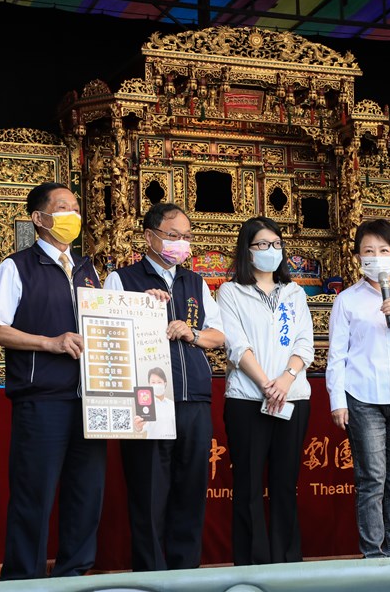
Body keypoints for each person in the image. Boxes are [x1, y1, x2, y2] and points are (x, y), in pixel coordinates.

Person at [0, 182, 106, 580]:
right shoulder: (16, 266)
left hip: (92, 400)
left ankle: (75, 576)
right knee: (34, 496)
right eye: (63, 207)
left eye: (75, 206)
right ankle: (23, 581)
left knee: (85, 496)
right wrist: (49, 343)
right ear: (39, 219)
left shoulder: (89, 270)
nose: (74, 214)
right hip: (42, 399)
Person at [103, 201, 225, 570]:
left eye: (186, 237)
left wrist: (193, 333)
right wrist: (141, 308)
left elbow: (219, 336)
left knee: (190, 493)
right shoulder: (122, 280)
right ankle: (152, 574)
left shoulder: (196, 282)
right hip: (147, 402)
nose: (180, 243)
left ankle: (185, 573)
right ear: (149, 237)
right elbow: (107, 337)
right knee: (149, 492)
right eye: (173, 236)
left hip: (193, 400)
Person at [326, 219, 390, 558]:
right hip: (363, 398)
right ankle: (373, 555)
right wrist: (337, 401)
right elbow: (337, 355)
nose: (375, 257)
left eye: (383, 250)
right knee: (372, 480)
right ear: (358, 257)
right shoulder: (347, 300)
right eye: (368, 251)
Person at [216, 216, 315, 565]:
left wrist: (285, 380)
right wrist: (264, 384)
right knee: (248, 488)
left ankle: (287, 563)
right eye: (261, 245)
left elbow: (305, 342)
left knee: (286, 485)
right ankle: (253, 565)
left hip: (293, 397)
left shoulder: (294, 292)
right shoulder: (230, 291)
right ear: (247, 250)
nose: (270, 251)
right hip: (247, 398)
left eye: (275, 244)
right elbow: (236, 344)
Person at [134, 367, 176, 440]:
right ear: (149, 384)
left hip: (171, 444)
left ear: (165, 383)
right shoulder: (145, 406)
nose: (156, 385)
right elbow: (141, 429)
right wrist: (138, 427)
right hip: (152, 445)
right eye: (153, 382)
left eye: (159, 382)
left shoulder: (172, 405)